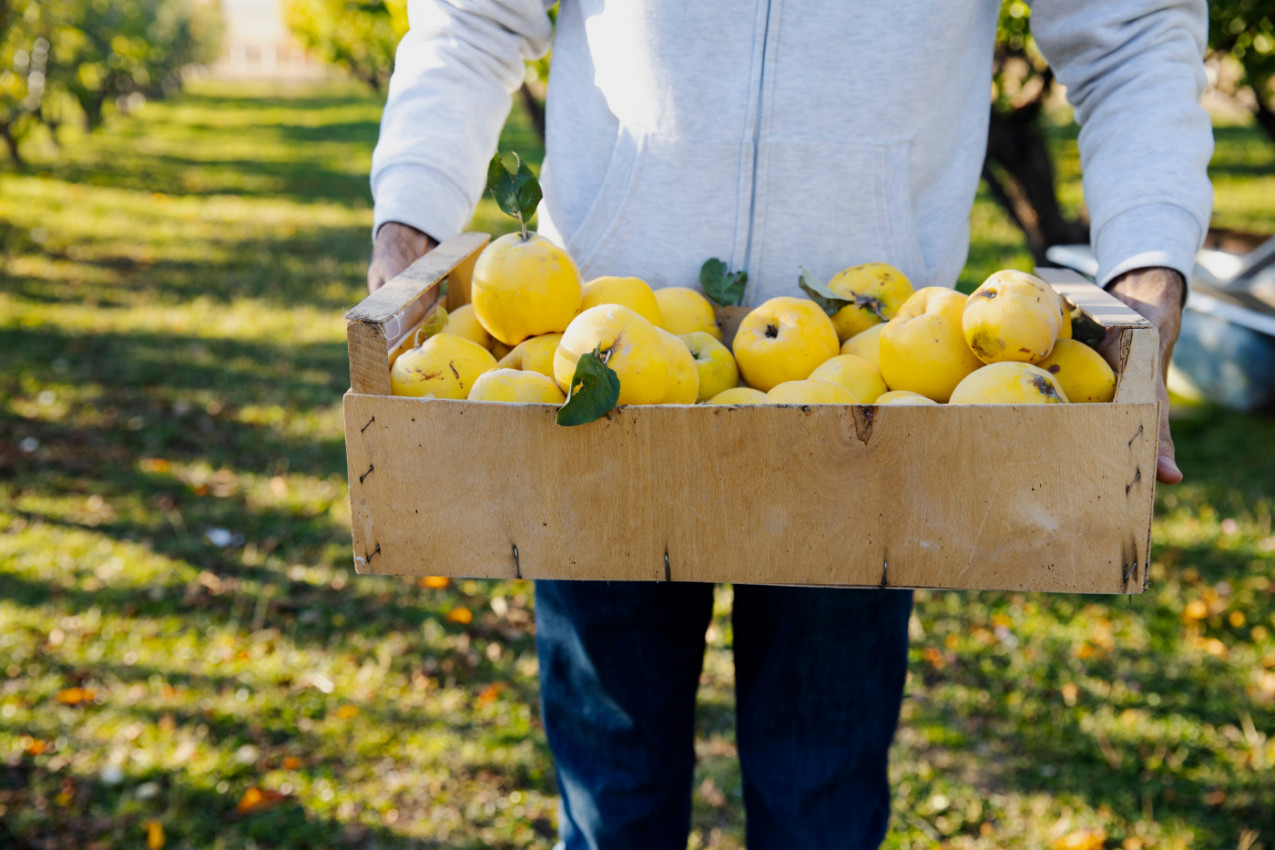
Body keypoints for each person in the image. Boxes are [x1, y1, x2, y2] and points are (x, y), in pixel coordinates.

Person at [366, 2, 1212, 846]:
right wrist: (407, 224)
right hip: (596, 373)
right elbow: (469, 18)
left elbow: (1132, 30)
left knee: (823, 805)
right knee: (612, 796)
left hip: (871, 391)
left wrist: (1151, 272)